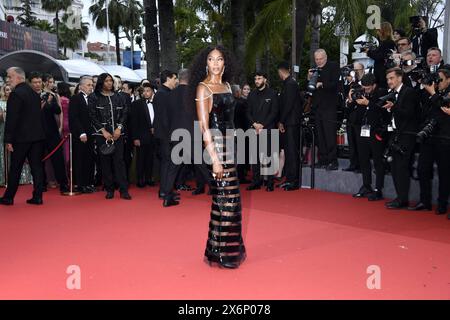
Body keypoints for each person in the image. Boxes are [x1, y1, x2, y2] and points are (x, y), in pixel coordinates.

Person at [190, 45, 246, 269]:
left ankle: (222, 249)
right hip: (216, 147)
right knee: (227, 199)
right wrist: (214, 159)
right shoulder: (203, 88)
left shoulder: (227, 87)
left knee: (227, 199)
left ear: (225, 63)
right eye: (211, 59)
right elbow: (204, 127)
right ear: (206, 63)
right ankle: (224, 253)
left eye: (219, 59)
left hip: (230, 146)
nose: (215, 63)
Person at [0, 67, 46, 206]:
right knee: (37, 167)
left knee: (15, 168)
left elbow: (12, 119)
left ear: (19, 77)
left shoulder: (16, 94)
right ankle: (38, 196)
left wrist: (8, 139)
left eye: (10, 76)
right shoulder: (34, 93)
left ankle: (9, 197)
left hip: (21, 138)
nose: (8, 79)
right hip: (37, 136)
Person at [409, 67, 450, 214]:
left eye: (440, 80)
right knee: (422, 169)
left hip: (444, 138)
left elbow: (444, 107)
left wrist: (433, 93)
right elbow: (423, 108)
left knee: (444, 173)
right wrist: (426, 86)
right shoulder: (431, 92)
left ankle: (442, 204)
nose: (437, 83)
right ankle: (424, 201)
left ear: (449, 80)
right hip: (428, 136)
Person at [88, 73, 132, 200]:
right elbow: (92, 116)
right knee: (105, 163)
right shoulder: (94, 97)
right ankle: (109, 189)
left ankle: (124, 190)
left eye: (111, 81)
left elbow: (125, 112)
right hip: (102, 135)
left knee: (120, 162)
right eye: (107, 81)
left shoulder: (119, 96)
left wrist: (119, 128)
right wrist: (103, 131)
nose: (109, 83)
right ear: (101, 82)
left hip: (118, 134)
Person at [383, 68, 420, 209]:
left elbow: (409, 114)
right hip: (395, 134)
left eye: (391, 78)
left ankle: (402, 199)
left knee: (402, 168)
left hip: (406, 135)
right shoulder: (392, 94)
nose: (389, 81)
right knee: (394, 167)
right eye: (387, 79)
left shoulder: (409, 92)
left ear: (400, 78)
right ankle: (400, 197)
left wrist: (394, 107)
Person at [349, 73, 390, 201]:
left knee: (378, 160)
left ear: (374, 85)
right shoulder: (360, 91)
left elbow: (382, 110)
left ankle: (378, 189)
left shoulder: (381, 92)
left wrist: (368, 103)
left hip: (376, 130)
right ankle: (366, 185)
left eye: (368, 88)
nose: (365, 90)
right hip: (362, 129)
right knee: (363, 158)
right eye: (364, 87)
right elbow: (352, 109)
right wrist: (351, 100)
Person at [32, 73, 69, 193]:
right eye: (35, 82)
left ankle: (63, 184)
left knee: (58, 160)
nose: (37, 85)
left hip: (52, 132)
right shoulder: (29, 97)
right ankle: (41, 185)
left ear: (42, 83)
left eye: (39, 82)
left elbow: (58, 111)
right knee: (38, 161)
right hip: (36, 133)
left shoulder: (49, 95)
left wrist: (49, 103)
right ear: (30, 83)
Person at [246, 71, 279, 192]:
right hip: (254, 129)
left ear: (265, 79)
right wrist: (254, 124)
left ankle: (270, 182)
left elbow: (274, 112)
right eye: (255, 79)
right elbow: (247, 112)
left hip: (268, 129)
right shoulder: (252, 94)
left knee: (269, 156)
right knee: (254, 157)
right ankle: (256, 181)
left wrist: (262, 125)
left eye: (259, 78)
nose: (257, 81)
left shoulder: (273, 93)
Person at [308, 49, 340, 171]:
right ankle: (322, 160)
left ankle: (333, 161)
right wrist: (309, 77)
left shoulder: (333, 66)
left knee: (329, 134)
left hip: (329, 106)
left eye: (320, 59)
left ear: (325, 57)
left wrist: (322, 84)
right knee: (319, 135)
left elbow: (335, 84)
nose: (318, 61)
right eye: (316, 59)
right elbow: (310, 87)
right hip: (317, 106)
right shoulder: (314, 69)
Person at [153, 70, 179, 199]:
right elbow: (164, 118)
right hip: (166, 135)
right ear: (168, 79)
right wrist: (171, 135)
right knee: (167, 163)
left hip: (166, 134)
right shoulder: (163, 94)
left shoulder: (164, 93)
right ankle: (164, 191)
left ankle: (166, 189)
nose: (176, 81)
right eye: (175, 78)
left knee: (168, 162)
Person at [277, 62, 303, 190]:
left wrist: (281, 120)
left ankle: (294, 181)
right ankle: (289, 178)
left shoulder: (291, 84)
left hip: (291, 122)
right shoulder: (288, 83)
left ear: (280, 72)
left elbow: (288, 104)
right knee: (288, 151)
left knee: (292, 152)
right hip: (288, 122)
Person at [68, 76, 96, 194]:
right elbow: (74, 118)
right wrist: (81, 132)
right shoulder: (75, 98)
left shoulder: (93, 99)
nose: (91, 87)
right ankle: (80, 184)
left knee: (90, 159)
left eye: (92, 85)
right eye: (89, 85)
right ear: (81, 86)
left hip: (91, 134)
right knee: (80, 159)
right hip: (80, 134)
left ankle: (89, 183)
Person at [131, 82, 157, 189]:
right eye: (144, 91)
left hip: (154, 136)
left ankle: (149, 178)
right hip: (141, 136)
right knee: (140, 159)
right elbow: (133, 122)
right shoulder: (136, 104)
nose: (146, 93)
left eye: (148, 91)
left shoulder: (156, 103)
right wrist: (135, 137)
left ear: (152, 92)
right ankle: (140, 179)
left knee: (150, 158)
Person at [365, 22, 397, 88]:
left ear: (383, 31)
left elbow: (380, 56)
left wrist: (369, 52)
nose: (377, 33)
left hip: (383, 72)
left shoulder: (388, 43)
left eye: (378, 31)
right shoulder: (383, 43)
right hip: (380, 72)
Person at [57, 82, 72, 170]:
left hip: (61, 124)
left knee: (63, 149)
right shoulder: (68, 100)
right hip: (68, 124)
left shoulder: (60, 99)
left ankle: (64, 167)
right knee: (67, 148)